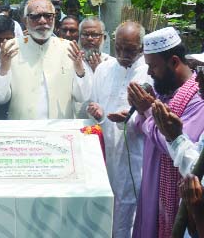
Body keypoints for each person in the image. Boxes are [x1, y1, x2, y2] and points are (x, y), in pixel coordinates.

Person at [125, 27, 204, 238]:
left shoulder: (197, 99)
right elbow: (148, 128)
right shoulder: (163, 89)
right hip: (152, 184)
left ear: (174, 62)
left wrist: (147, 111)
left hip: (177, 193)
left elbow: (176, 144)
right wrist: (140, 112)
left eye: (153, 66)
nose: (149, 73)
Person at [86, 21, 151, 238]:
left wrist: (131, 119)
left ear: (141, 48)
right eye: (119, 48)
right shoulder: (104, 68)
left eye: (130, 49)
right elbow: (94, 104)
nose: (123, 54)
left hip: (135, 154)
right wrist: (97, 112)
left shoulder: (149, 73)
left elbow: (153, 117)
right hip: (107, 152)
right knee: (107, 202)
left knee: (131, 206)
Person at [0, 0, 88, 120]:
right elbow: (0, 97)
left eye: (48, 16)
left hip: (60, 129)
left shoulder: (69, 48)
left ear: (54, 18)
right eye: (35, 16)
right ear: (25, 20)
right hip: (23, 130)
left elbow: (83, 96)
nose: (42, 21)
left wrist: (80, 72)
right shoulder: (9, 48)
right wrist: (3, 70)